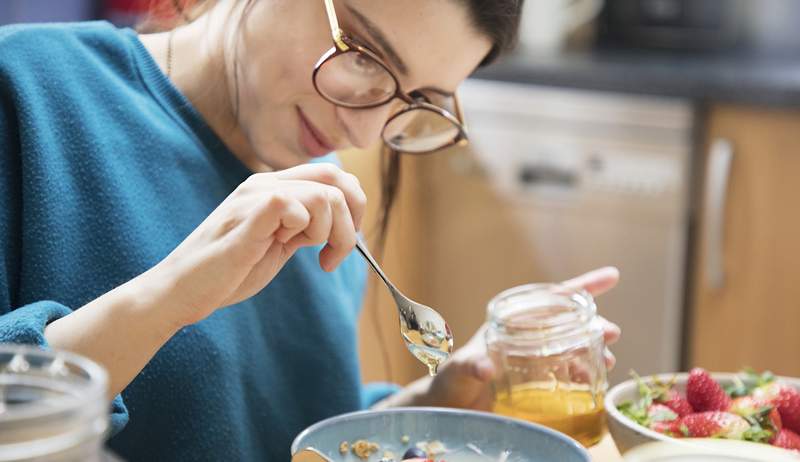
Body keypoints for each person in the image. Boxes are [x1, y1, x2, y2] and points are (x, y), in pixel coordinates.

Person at [0, 0, 621, 460]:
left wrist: (439, 396)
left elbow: (289, 434)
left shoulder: (318, 185)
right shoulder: (24, 91)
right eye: (362, 55)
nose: (363, 133)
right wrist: (169, 297)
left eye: (416, 100)